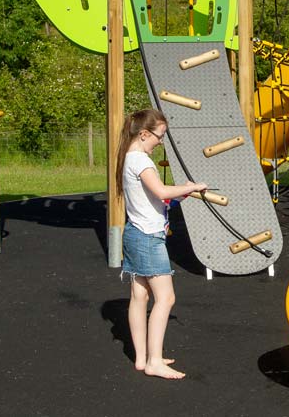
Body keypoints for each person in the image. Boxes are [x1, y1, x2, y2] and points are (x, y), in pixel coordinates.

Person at [116, 108, 208, 380]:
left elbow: (155, 200)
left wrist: (180, 197)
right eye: (160, 136)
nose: (161, 141)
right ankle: (154, 361)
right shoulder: (141, 161)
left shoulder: (129, 158)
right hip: (147, 237)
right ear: (144, 134)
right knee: (166, 298)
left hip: (134, 233)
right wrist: (190, 186)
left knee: (140, 296)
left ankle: (143, 358)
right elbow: (161, 191)